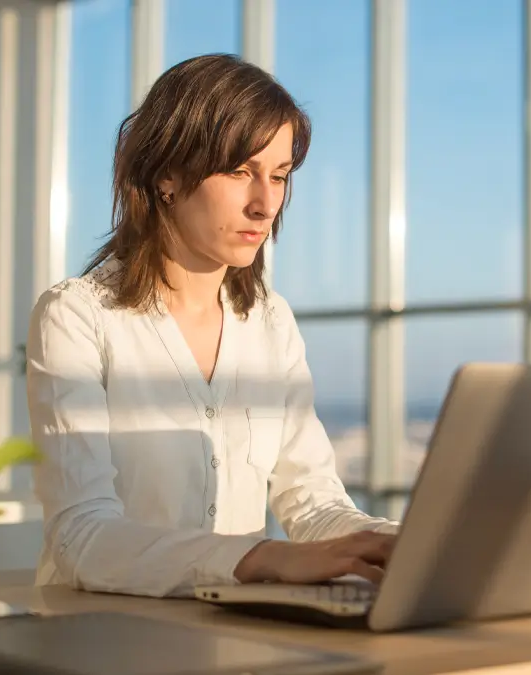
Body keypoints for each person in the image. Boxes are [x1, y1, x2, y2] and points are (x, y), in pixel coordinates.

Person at [25, 54, 398, 599]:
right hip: (98, 640)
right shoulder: (77, 317)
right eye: (240, 172)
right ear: (167, 178)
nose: (265, 204)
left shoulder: (271, 324)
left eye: (279, 176)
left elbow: (313, 502)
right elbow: (82, 536)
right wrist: (262, 558)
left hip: (231, 638)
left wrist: (401, 542)